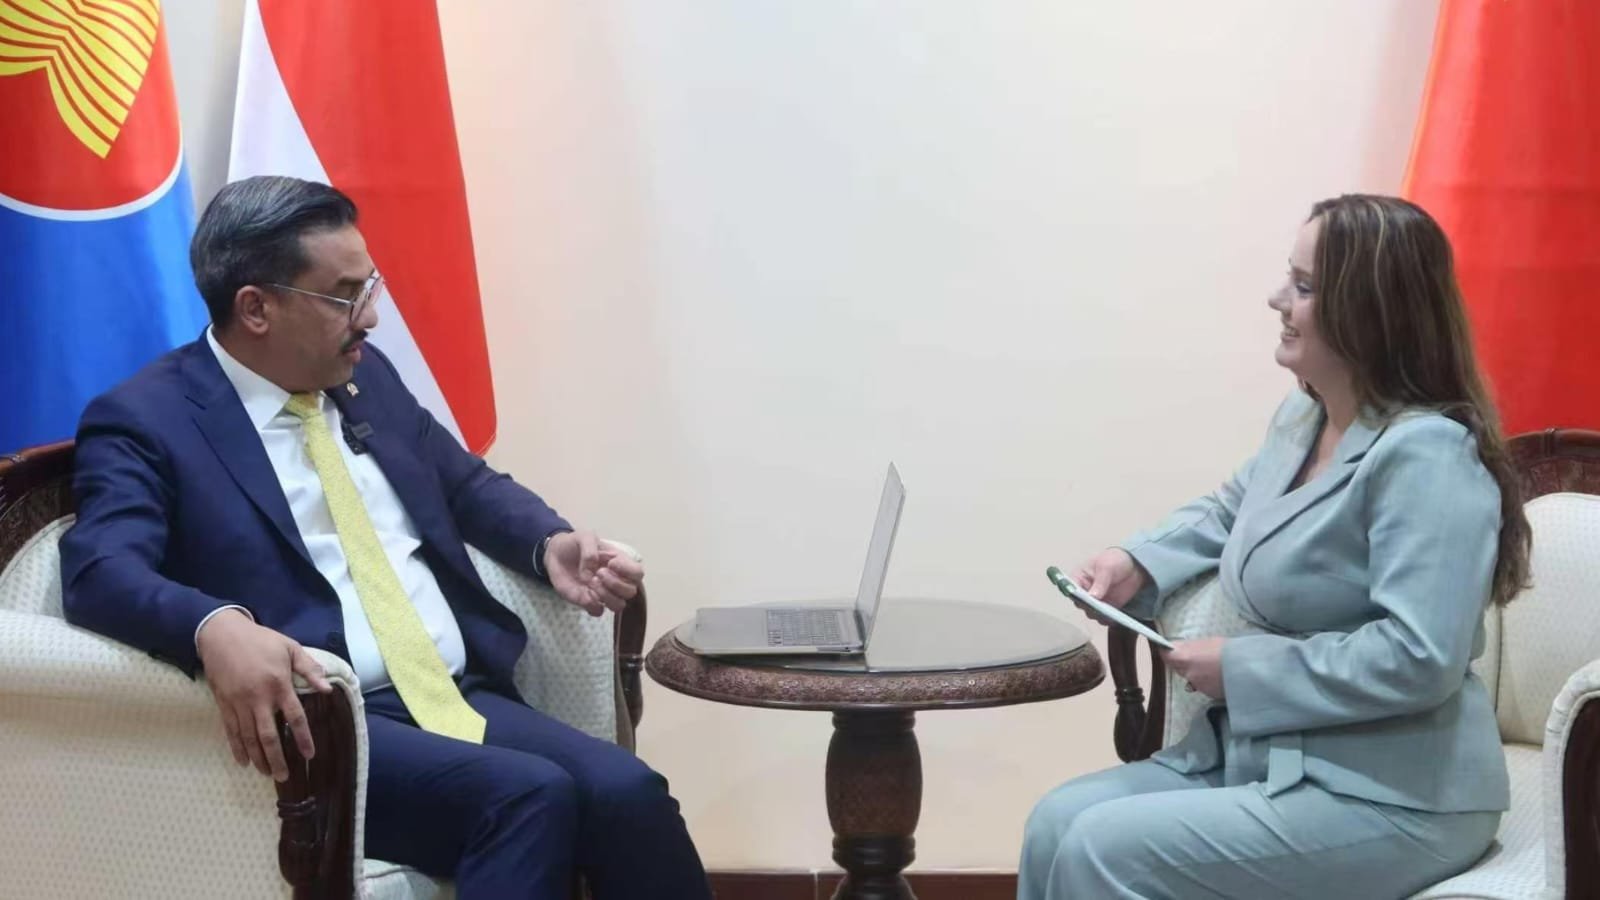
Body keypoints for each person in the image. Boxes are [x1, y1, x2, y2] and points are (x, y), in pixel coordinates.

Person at [59, 175, 711, 900]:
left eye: (369, 286)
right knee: (527, 797)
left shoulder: (364, 379)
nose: (369, 317)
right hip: (326, 726)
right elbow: (99, 570)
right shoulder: (148, 420)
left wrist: (548, 542)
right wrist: (214, 626)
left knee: (628, 793)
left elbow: (463, 484)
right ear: (256, 308)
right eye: (344, 296)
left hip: (448, 692)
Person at [1019, 194, 1531, 899]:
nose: (1276, 299)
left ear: (1368, 311)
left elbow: (1420, 658)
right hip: (1269, 758)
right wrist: (1137, 561)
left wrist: (1244, 670)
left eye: (1305, 286)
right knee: (1055, 823)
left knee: (1101, 849)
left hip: (1397, 794)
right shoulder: (1304, 416)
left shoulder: (1428, 458)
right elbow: (1230, 511)